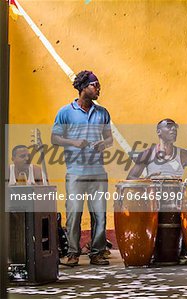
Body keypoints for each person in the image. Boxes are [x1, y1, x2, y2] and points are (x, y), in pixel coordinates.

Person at [52, 70, 113, 266]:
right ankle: (72, 254)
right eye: (95, 85)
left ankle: (96, 253)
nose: (98, 88)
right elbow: (55, 138)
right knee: (74, 213)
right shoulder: (65, 112)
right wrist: (74, 142)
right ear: (83, 87)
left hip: (98, 173)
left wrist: (103, 144)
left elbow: (110, 138)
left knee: (99, 215)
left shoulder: (103, 113)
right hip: (75, 173)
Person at [127, 118, 187, 265]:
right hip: (153, 195)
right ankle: (150, 251)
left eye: (175, 128)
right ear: (158, 132)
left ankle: (181, 252)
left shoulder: (184, 154)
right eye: (169, 127)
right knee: (149, 221)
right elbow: (131, 176)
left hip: (177, 194)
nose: (173, 130)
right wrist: (147, 184)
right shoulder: (147, 153)